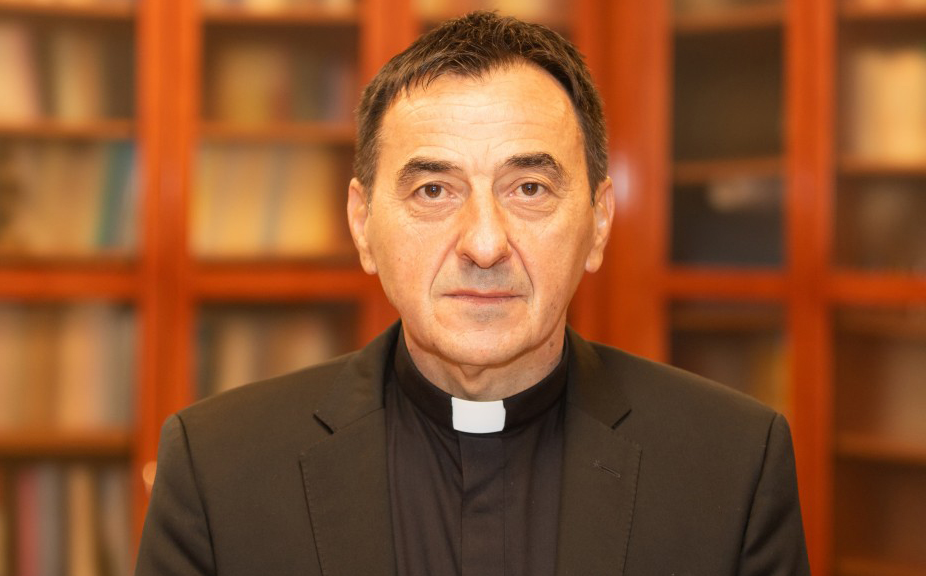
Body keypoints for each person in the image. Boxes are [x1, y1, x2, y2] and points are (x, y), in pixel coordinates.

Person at [135, 11, 810, 576]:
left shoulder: (732, 466)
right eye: (434, 190)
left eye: (529, 188)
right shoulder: (217, 470)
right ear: (363, 226)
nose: (484, 245)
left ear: (599, 224)